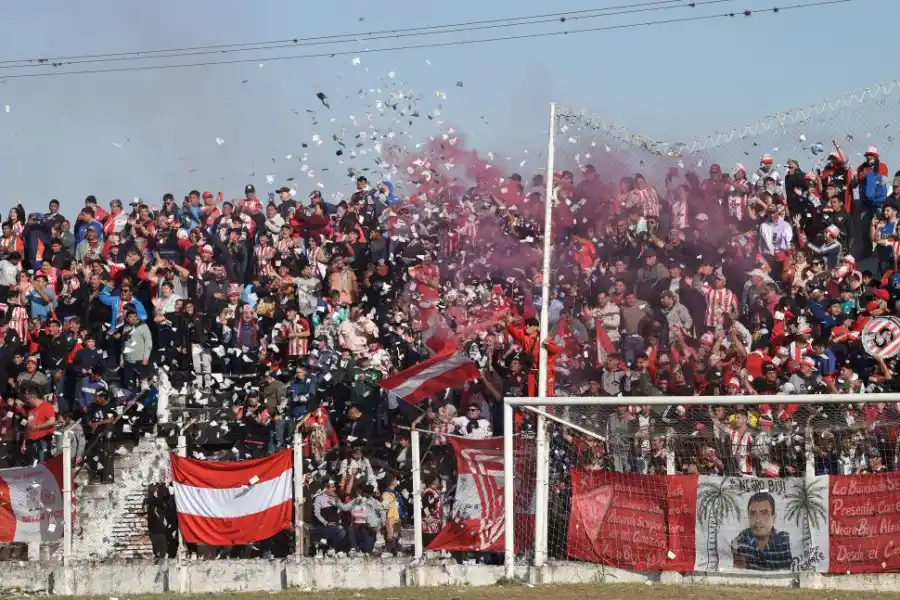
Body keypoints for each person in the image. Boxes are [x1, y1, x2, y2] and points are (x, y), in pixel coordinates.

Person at [730, 491, 792, 570]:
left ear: (773, 517)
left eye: (764, 513)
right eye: (753, 513)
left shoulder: (786, 541)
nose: (758, 519)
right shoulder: (740, 542)